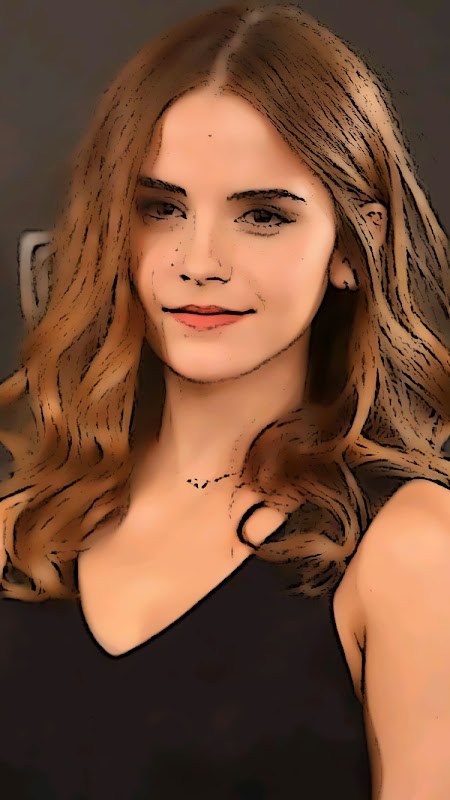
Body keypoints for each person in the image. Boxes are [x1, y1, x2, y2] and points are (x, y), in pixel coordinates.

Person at [0, 0, 449, 797]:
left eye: (263, 216)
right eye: (162, 208)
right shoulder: (18, 532)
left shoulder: (414, 551)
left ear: (355, 245)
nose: (200, 261)